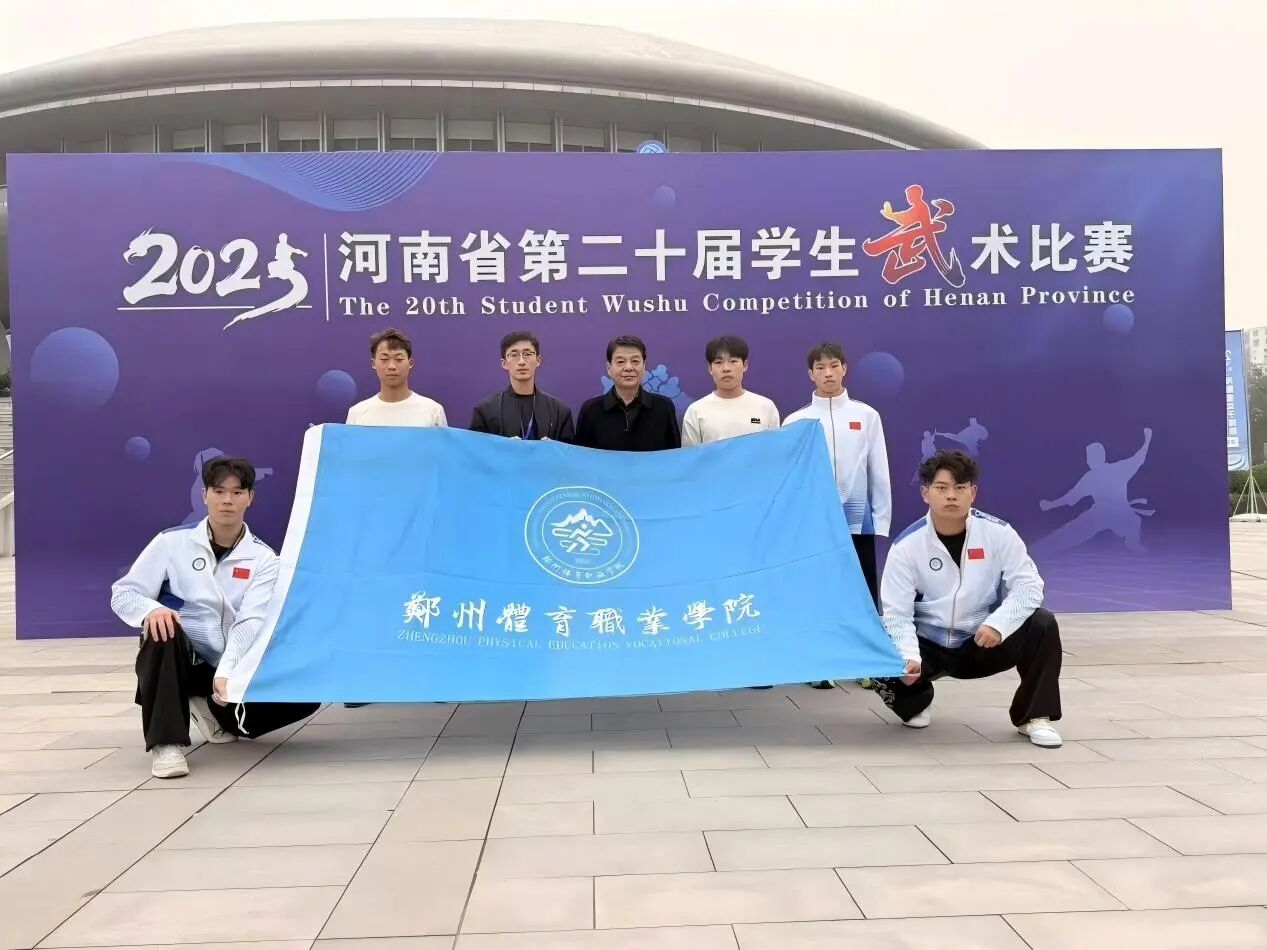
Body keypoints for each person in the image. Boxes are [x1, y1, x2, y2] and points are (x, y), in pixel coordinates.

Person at [111, 457, 320, 778]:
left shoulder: (264, 558)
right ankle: (166, 744)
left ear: (250, 498)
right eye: (219, 491)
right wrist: (151, 609)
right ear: (204, 495)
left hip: (228, 664)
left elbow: (250, 621)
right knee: (162, 628)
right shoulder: (171, 542)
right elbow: (124, 593)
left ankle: (208, 706)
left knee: (306, 698)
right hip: (180, 656)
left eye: (237, 492)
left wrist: (227, 673)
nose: (227, 500)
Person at [872, 450, 1063, 748]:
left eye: (960, 488)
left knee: (1043, 624)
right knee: (874, 641)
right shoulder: (906, 546)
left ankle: (1034, 717)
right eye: (941, 488)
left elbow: (1029, 586)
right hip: (928, 647)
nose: (951, 496)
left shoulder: (999, 534)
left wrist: (999, 624)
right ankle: (914, 701)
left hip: (981, 643)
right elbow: (897, 613)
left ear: (973, 493)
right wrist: (909, 656)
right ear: (925, 493)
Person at [783, 342, 891, 688]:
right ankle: (820, 663)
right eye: (820, 367)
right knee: (817, 589)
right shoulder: (796, 421)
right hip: (813, 523)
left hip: (858, 520)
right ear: (810, 374)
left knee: (861, 591)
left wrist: (881, 519)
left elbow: (878, 469)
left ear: (844, 368)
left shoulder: (866, 415)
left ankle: (865, 663)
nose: (827, 373)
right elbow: (791, 479)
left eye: (833, 366)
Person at [575, 335, 681, 451]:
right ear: (609, 368)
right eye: (621, 362)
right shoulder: (590, 410)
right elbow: (581, 458)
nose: (628, 368)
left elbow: (674, 457)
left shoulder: (664, 408)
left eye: (635, 361)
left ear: (644, 366)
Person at [469, 330, 575, 441]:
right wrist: (502, 448)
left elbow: (569, 450)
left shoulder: (559, 411)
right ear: (504, 363)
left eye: (527, 354)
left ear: (538, 360)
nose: (521, 361)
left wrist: (553, 448)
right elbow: (475, 449)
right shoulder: (485, 410)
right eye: (514, 355)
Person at [681, 335, 780, 446]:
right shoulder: (696, 411)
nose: (726, 369)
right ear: (710, 368)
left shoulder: (766, 407)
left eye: (733, 361)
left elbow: (775, 450)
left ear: (745, 365)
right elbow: (690, 455)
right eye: (718, 362)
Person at [345, 327, 448, 427]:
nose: (392, 366)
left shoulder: (433, 411)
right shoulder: (357, 414)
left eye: (399, 359)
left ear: (410, 363)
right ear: (373, 363)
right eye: (384, 359)